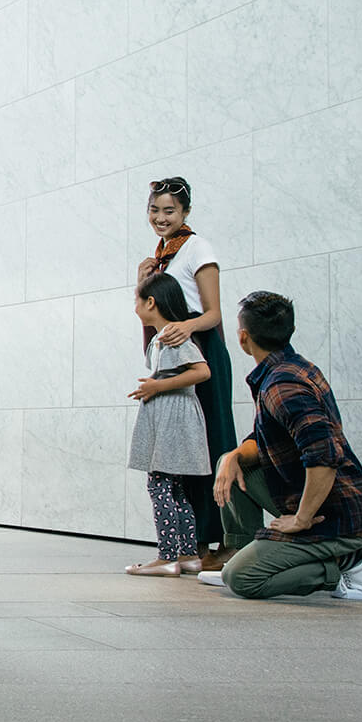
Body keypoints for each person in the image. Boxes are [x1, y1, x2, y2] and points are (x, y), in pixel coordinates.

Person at [208, 291, 362, 601]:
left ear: (242, 338)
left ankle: (352, 563)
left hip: (336, 518)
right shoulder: (287, 369)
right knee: (232, 462)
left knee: (242, 579)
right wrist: (234, 456)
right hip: (313, 497)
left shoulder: (283, 386)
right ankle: (241, 552)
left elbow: (324, 455)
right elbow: (264, 442)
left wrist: (302, 519)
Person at [135, 177, 240, 569]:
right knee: (182, 449)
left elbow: (213, 312)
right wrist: (142, 276)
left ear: (186, 213)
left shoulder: (198, 247)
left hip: (200, 348)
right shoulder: (159, 256)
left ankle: (218, 541)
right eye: (154, 210)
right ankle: (189, 545)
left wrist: (188, 329)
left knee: (210, 444)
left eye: (169, 211)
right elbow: (149, 308)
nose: (161, 218)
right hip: (176, 349)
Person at [124, 274, 211, 576]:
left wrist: (158, 388)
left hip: (173, 419)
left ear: (151, 302)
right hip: (168, 417)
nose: (134, 306)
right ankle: (187, 554)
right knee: (175, 489)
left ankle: (166, 556)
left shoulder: (173, 337)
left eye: (137, 300)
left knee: (158, 484)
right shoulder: (160, 339)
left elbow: (201, 372)